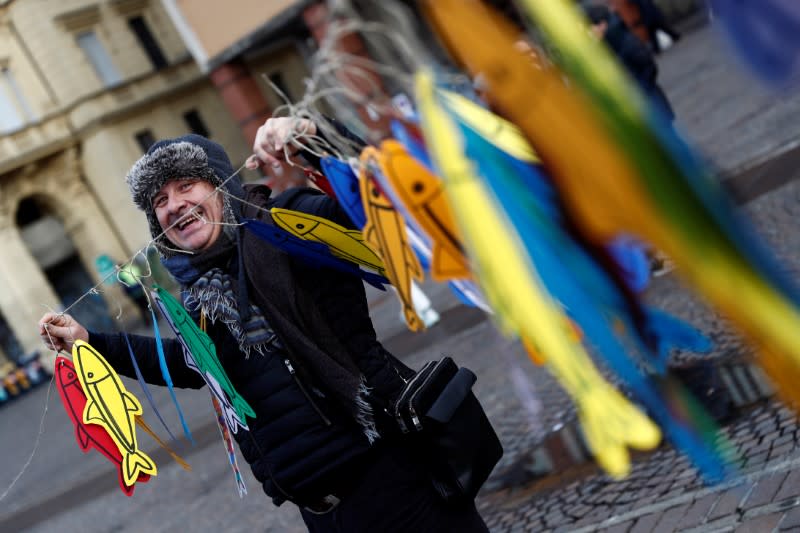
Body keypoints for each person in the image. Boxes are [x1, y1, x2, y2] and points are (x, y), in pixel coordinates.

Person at [39, 119, 490, 532]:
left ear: (221, 186)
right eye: (160, 200)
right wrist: (89, 341)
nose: (175, 205)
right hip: (322, 511)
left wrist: (313, 137)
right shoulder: (198, 295)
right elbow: (190, 365)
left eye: (186, 185)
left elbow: (366, 205)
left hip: (394, 477)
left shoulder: (286, 227)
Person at [585, 3, 675, 122]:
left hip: (650, 104)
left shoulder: (623, 40)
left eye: (590, 28)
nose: (588, 33)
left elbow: (648, 65)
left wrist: (641, 91)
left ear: (602, 25)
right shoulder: (603, 45)